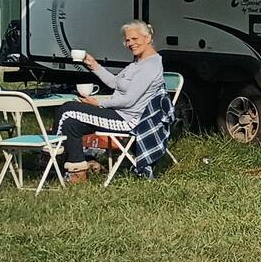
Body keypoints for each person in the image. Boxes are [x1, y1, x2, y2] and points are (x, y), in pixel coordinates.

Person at [52, 20, 172, 183]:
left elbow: (129, 101)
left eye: (134, 39)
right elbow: (115, 83)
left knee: (67, 109)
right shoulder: (137, 63)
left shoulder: (150, 65)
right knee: (71, 123)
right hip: (118, 113)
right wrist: (93, 65)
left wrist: (98, 104)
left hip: (128, 120)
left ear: (148, 37)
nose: (130, 43)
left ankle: (52, 153)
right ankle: (77, 172)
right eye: (128, 40)